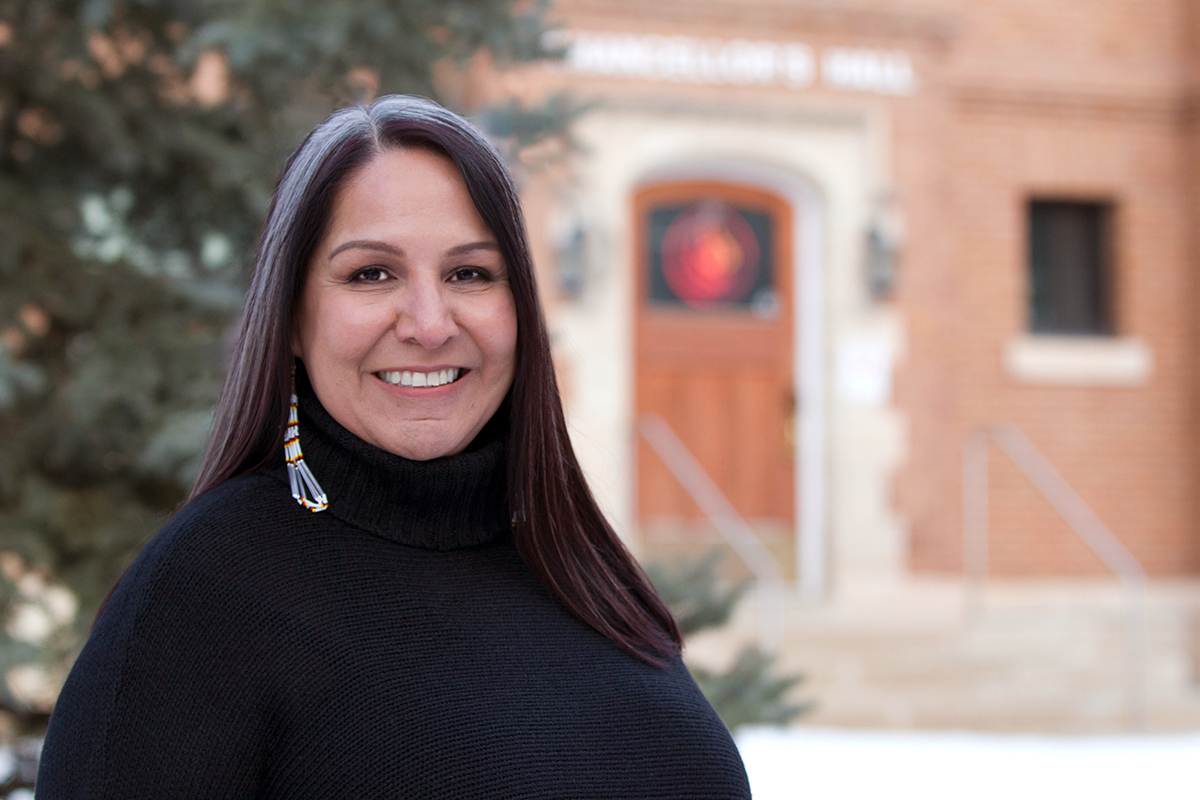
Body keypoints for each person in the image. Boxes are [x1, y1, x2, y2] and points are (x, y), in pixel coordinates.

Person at [36, 95, 751, 798]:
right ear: (291, 316)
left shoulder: (578, 567)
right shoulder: (203, 592)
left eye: (470, 274)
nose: (430, 324)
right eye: (371, 274)